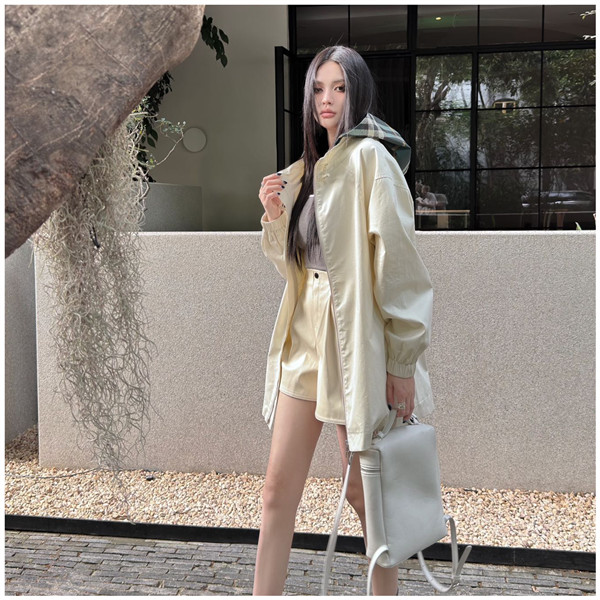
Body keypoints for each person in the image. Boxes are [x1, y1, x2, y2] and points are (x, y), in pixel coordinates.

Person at [254, 45, 434, 596]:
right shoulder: (308, 169)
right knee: (276, 491)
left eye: (339, 87)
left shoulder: (370, 160)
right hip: (303, 334)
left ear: (358, 93)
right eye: (318, 88)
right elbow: (296, 266)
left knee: (365, 492)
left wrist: (401, 362)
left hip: (352, 337)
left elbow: (399, 266)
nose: (326, 99)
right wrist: (275, 216)